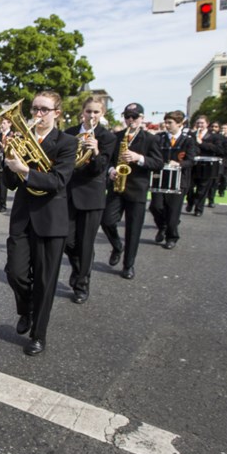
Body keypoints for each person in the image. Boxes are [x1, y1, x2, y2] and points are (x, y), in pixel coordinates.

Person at [3, 91, 77, 356]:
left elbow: (58, 181)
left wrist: (25, 171)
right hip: (23, 217)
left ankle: (38, 335)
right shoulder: (22, 139)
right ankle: (26, 309)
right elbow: (10, 184)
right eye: (34, 109)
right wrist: (8, 159)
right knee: (15, 272)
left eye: (44, 109)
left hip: (51, 219)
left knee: (45, 281)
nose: (37, 114)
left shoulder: (67, 142)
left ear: (57, 112)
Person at [100, 103, 163, 279]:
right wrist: (111, 171)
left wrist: (139, 158)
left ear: (141, 118)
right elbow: (108, 160)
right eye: (127, 116)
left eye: (134, 117)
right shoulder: (117, 136)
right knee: (106, 221)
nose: (130, 120)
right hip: (117, 187)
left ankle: (129, 265)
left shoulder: (151, 139)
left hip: (137, 189)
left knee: (133, 229)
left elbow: (158, 163)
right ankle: (117, 246)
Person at [63, 99, 116, 304]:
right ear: (82, 112)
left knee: (86, 243)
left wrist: (95, 151)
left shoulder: (107, 137)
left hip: (91, 196)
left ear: (101, 113)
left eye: (96, 112)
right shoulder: (69, 132)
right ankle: (79, 269)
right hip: (68, 193)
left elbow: (100, 167)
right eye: (88, 111)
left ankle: (82, 285)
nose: (91, 115)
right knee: (67, 239)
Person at [149, 111, 197, 250]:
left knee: (173, 211)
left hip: (179, 180)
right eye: (166, 122)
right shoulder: (160, 138)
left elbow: (191, 160)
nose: (167, 125)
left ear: (180, 124)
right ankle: (162, 226)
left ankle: (171, 237)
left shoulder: (187, 139)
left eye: (170, 123)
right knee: (155, 206)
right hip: (160, 178)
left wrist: (179, 164)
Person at [186, 115, 226, 215]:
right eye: (198, 123)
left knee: (202, 188)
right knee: (188, 186)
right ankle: (190, 201)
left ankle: (198, 209)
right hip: (192, 164)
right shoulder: (191, 134)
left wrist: (202, 143)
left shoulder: (214, 136)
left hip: (207, 165)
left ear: (207, 124)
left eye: (202, 123)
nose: (200, 125)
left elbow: (219, 150)